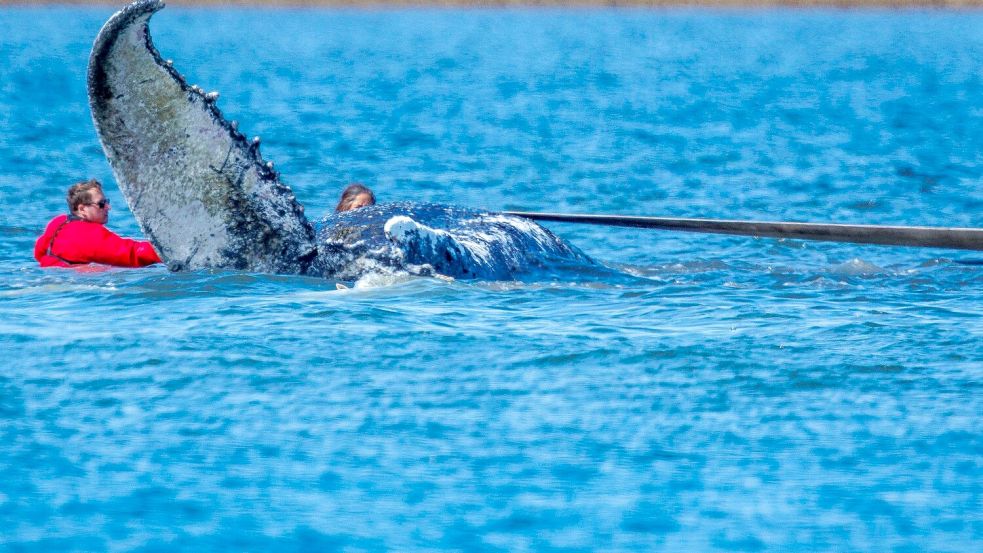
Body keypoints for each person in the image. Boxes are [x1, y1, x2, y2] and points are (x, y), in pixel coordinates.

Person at [34, 179, 162, 268]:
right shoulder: (87, 235)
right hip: (72, 284)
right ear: (82, 209)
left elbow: (39, 252)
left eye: (106, 202)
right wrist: (167, 249)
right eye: (101, 204)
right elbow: (132, 254)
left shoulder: (59, 222)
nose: (108, 207)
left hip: (52, 276)